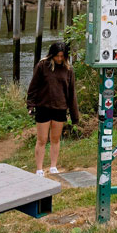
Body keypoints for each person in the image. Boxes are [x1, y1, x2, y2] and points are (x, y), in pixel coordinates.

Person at [26, 41, 80, 177]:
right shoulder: (42, 65)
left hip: (60, 108)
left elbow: (72, 93)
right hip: (43, 107)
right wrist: (30, 105)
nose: (60, 59)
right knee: (42, 139)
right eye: (57, 56)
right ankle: (39, 168)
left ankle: (53, 166)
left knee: (55, 139)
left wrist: (75, 116)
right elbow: (33, 87)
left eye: (62, 56)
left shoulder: (68, 69)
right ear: (52, 55)